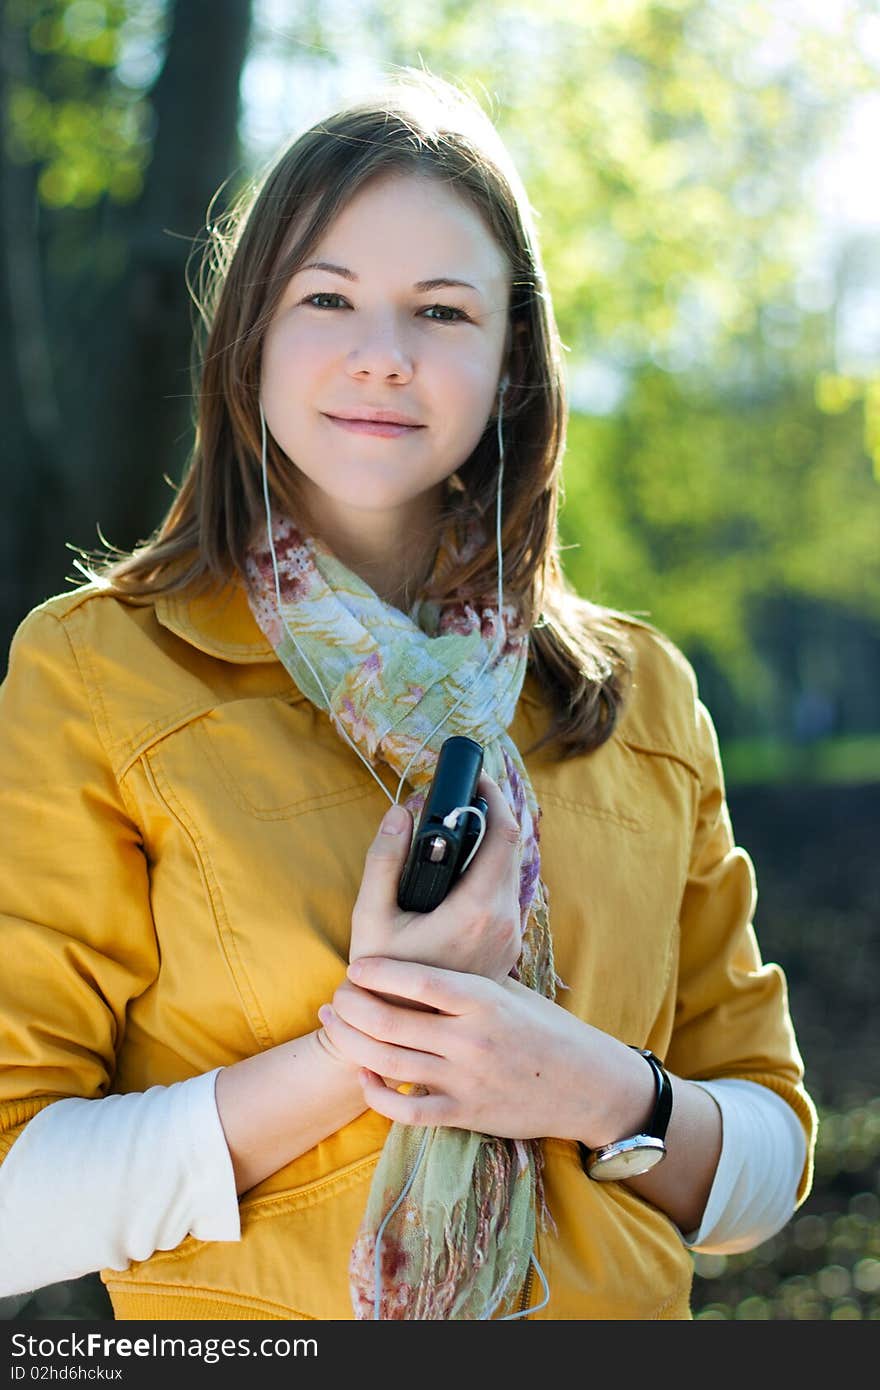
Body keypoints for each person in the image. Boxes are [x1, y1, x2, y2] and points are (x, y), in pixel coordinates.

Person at [0, 68, 816, 1322]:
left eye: (441, 311)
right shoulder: (101, 671)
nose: (382, 358)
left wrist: (593, 1088)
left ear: (510, 363)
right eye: (327, 298)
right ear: (250, 337)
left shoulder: (636, 692)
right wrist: (362, 1050)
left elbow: (764, 1168)